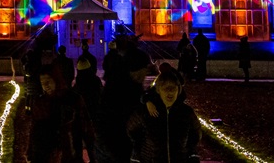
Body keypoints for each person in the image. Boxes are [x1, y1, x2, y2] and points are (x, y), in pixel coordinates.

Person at [126, 63, 202, 163]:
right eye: (165, 88)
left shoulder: (186, 113)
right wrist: (138, 152)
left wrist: (192, 155)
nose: (170, 92)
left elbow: (195, 134)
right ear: (158, 90)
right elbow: (131, 131)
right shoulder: (144, 112)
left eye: (173, 88)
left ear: (178, 90)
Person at [94, 34, 152, 163]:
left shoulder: (134, 87)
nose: (145, 73)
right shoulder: (117, 91)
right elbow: (104, 128)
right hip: (116, 153)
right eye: (143, 69)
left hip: (126, 152)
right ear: (133, 69)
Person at [27, 64, 94, 163]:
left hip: (69, 152)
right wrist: (30, 151)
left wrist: (90, 152)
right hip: (44, 152)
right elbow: (34, 127)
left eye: (48, 81)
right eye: (42, 83)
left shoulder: (72, 99)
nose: (46, 86)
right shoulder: (39, 102)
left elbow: (86, 126)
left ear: (57, 79)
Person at [73, 57, 102, 163]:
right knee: (91, 143)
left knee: (78, 143)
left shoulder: (78, 84)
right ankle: (93, 159)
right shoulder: (96, 81)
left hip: (80, 118)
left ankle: (79, 158)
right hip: (93, 116)